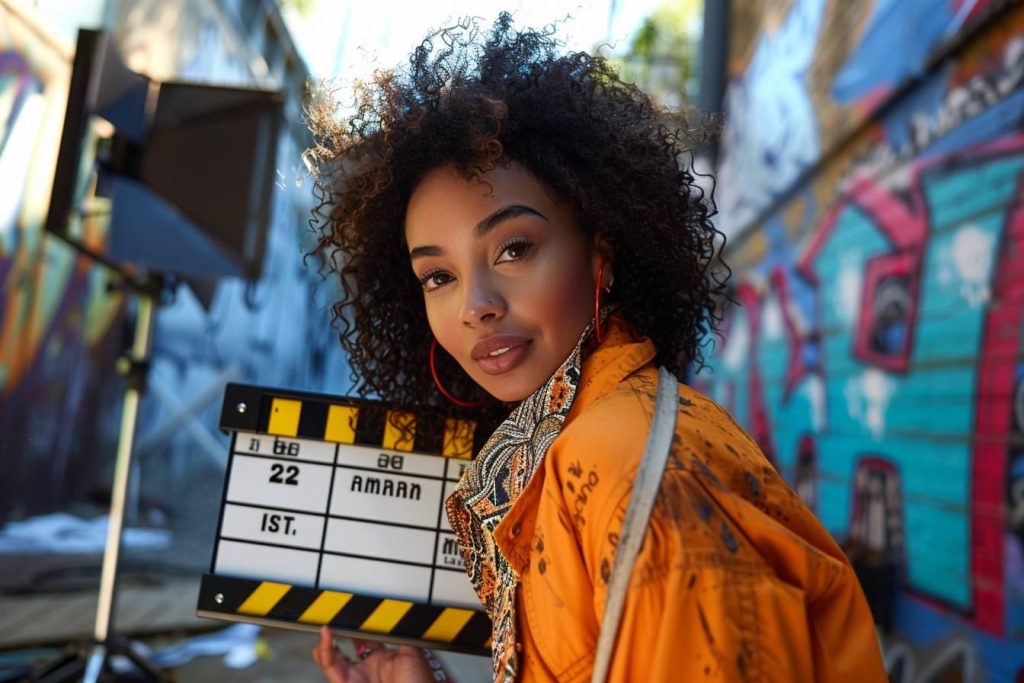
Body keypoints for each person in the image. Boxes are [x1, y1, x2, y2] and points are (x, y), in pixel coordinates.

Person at [305, 14, 887, 683]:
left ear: (600, 256)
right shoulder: (570, 447)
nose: (475, 305)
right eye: (439, 275)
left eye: (514, 248)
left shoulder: (620, 464)